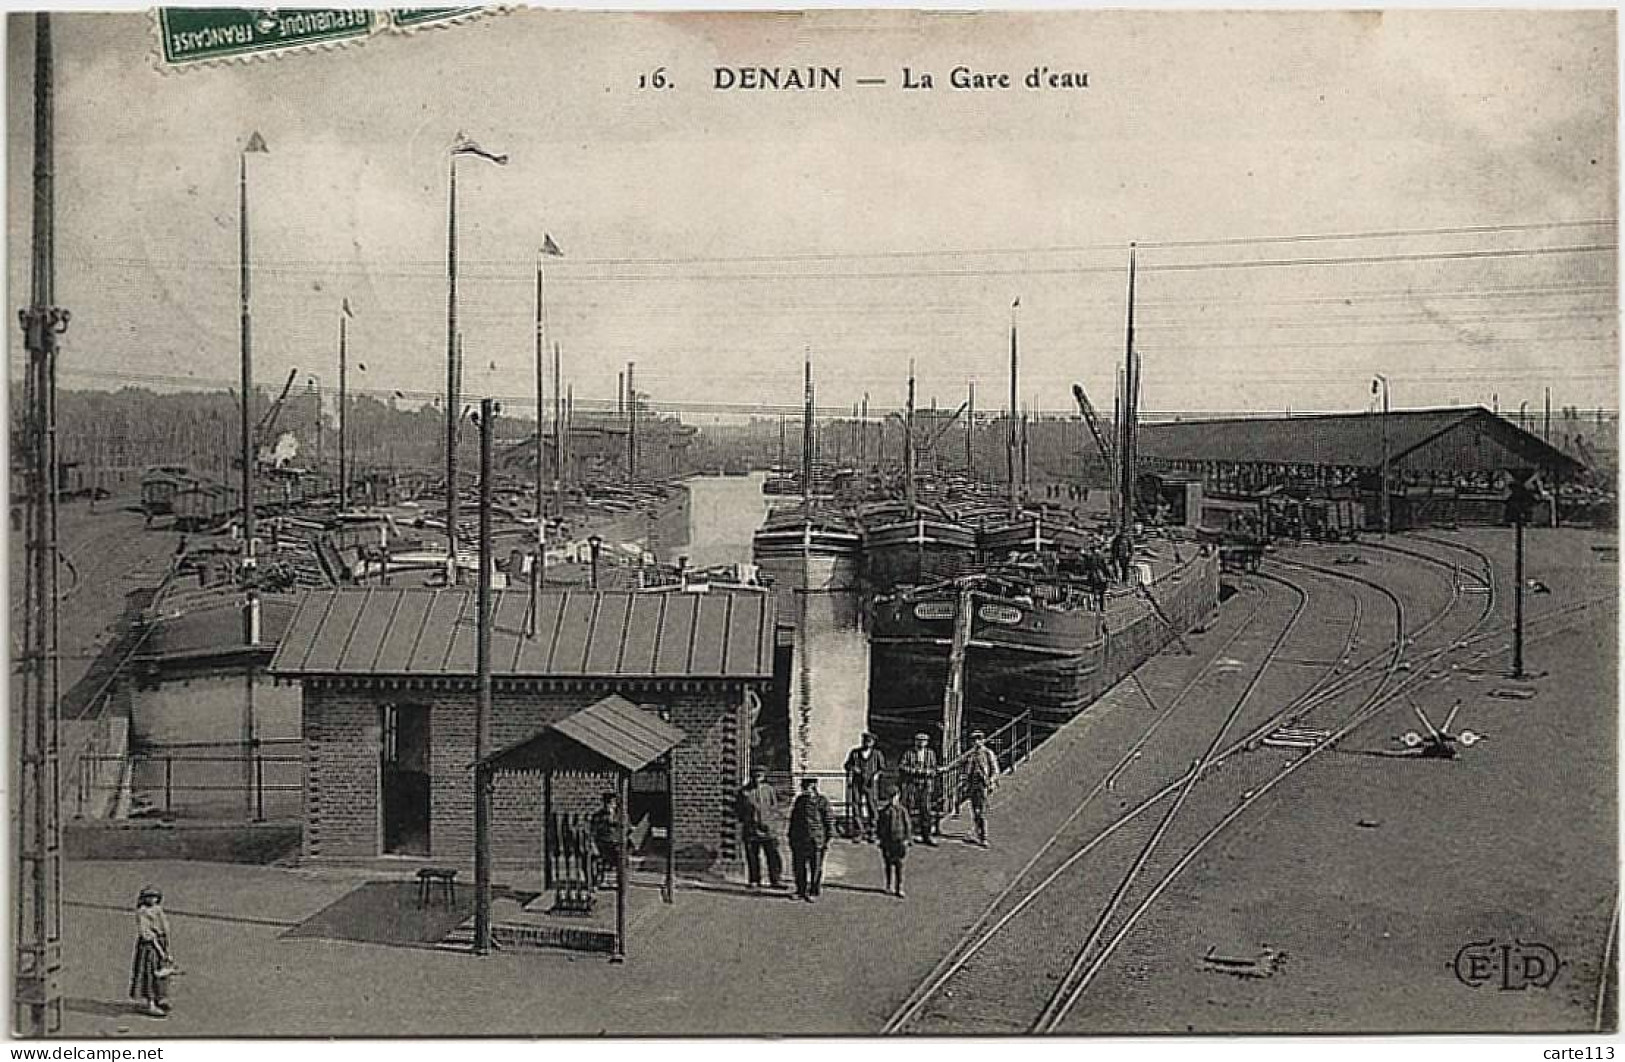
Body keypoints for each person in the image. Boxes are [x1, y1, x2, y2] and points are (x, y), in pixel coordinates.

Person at [736, 765, 786, 890]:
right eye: (755, 775)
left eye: (760, 775)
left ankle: (775, 880)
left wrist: (773, 824)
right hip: (751, 829)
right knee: (752, 855)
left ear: (764, 777)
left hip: (768, 828)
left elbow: (774, 808)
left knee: (773, 855)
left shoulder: (769, 790)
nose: (757, 778)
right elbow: (738, 810)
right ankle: (754, 879)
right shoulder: (744, 792)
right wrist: (747, 821)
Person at [788, 777, 837, 902]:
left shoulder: (822, 801)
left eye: (809, 787)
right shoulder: (799, 801)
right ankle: (800, 890)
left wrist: (828, 837)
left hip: (817, 839)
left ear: (814, 787)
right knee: (799, 866)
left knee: (816, 866)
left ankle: (814, 891)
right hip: (800, 838)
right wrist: (791, 836)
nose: (806, 790)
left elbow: (829, 820)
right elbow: (793, 820)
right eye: (804, 788)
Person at [129, 885, 173, 1018]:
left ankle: (160, 998)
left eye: (154, 897)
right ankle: (150, 1003)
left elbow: (165, 929)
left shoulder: (158, 910)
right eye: (149, 897)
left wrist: (167, 950)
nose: (152, 899)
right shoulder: (142, 912)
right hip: (149, 947)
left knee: (161, 974)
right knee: (149, 974)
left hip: (160, 942)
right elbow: (147, 934)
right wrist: (161, 951)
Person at [897, 732, 940, 845]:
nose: (921, 743)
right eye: (918, 741)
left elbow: (934, 769)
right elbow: (902, 766)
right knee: (908, 809)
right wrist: (914, 771)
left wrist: (928, 772)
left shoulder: (931, 754)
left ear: (927, 743)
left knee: (925, 810)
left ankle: (927, 836)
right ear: (915, 742)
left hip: (926, 785)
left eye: (923, 741)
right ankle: (907, 836)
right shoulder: (909, 753)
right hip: (912, 784)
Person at [843, 732, 886, 842]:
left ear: (873, 743)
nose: (867, 743)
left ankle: (872, 832)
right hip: (857, 783)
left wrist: (876, 775)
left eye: (869, 741)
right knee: (856, 806)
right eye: (865, 741)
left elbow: (882, 768)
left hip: (870, 784)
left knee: (872, 806)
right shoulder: (855, 753)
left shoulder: (877, 754)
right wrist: (853, 768)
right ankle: (858, 832)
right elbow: (847, 765)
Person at [964, 730, 1000, 847]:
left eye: (979, 739)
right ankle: (976, 833)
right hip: (973, 785)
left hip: (983, 784)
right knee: (975, 810)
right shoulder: (972, 755)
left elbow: (995, 769)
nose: (976, 742)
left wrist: (991, 781)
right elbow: (967, 770)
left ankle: (983, 837)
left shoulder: (988, 753)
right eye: (974, 740)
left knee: (982, 811)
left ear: (983, 740)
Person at [875, 787, 912, 898]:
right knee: (887, 864)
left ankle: (899, 887)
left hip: (899, 841)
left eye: (894, 797)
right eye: (890, 798)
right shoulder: (884, 812)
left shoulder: (902, 811)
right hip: (887, 841)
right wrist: (879, 839)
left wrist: (907, 839)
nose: (892, 800)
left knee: (899, 865)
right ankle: (888, 885)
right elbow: (880, 827)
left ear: (898, 797)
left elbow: (907, 825)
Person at [589, 791, 621, 890]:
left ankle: (616, 881)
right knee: (596, 860)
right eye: (608, 803)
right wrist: (594, 846)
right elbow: (593, 832)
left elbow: (626, 830)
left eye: (612, 803)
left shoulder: (621, 816)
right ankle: (598, 881)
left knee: (621, 858)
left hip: (616, 844)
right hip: (602, 844)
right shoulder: (598, 816)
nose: (610, 805)